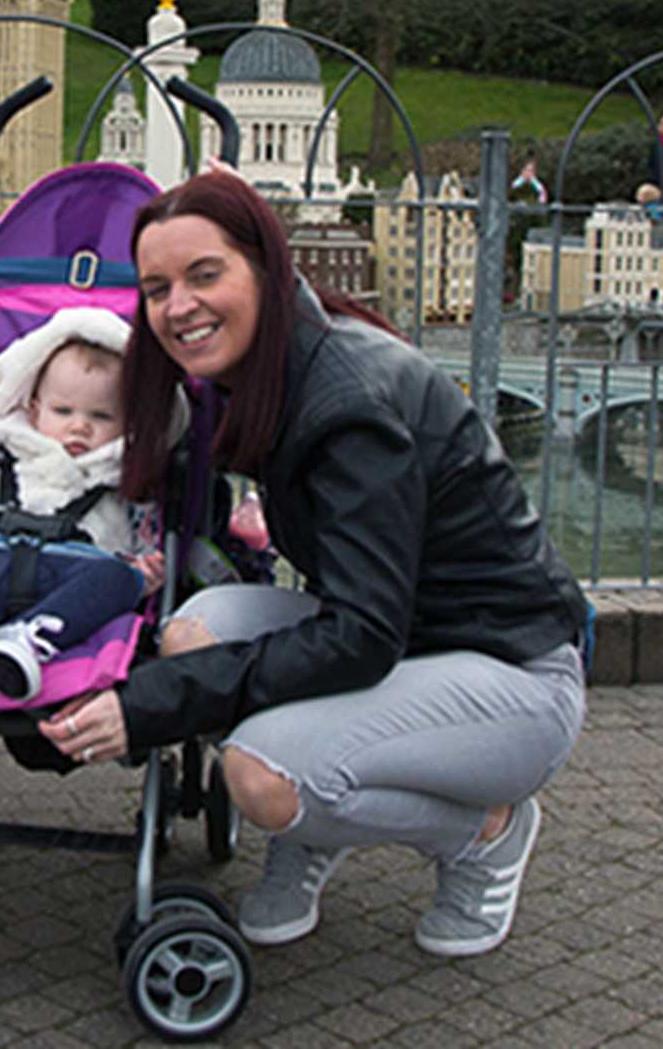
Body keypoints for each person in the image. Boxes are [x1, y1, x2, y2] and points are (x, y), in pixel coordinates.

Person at [40, 169, 589, 959]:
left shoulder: (348, 403)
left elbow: (360, 634)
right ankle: (317, 821)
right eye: (157, 289)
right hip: (414, 638)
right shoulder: (269, 371)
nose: (178, 307)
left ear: (265, 266)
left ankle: (484, 832)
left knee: (260, 773)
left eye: (204, 275)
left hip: (509, 672)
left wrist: (148, 705)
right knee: (195, 632)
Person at [0, 307, 170, 762]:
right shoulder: (3, 456)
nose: (80, 426)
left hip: (70, 580)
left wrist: (147, 568)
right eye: (63, 411)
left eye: (101, 416)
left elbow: (144, 539)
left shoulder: (124, 482)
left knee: (120, 582)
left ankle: (26, 639)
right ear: (34, 409)